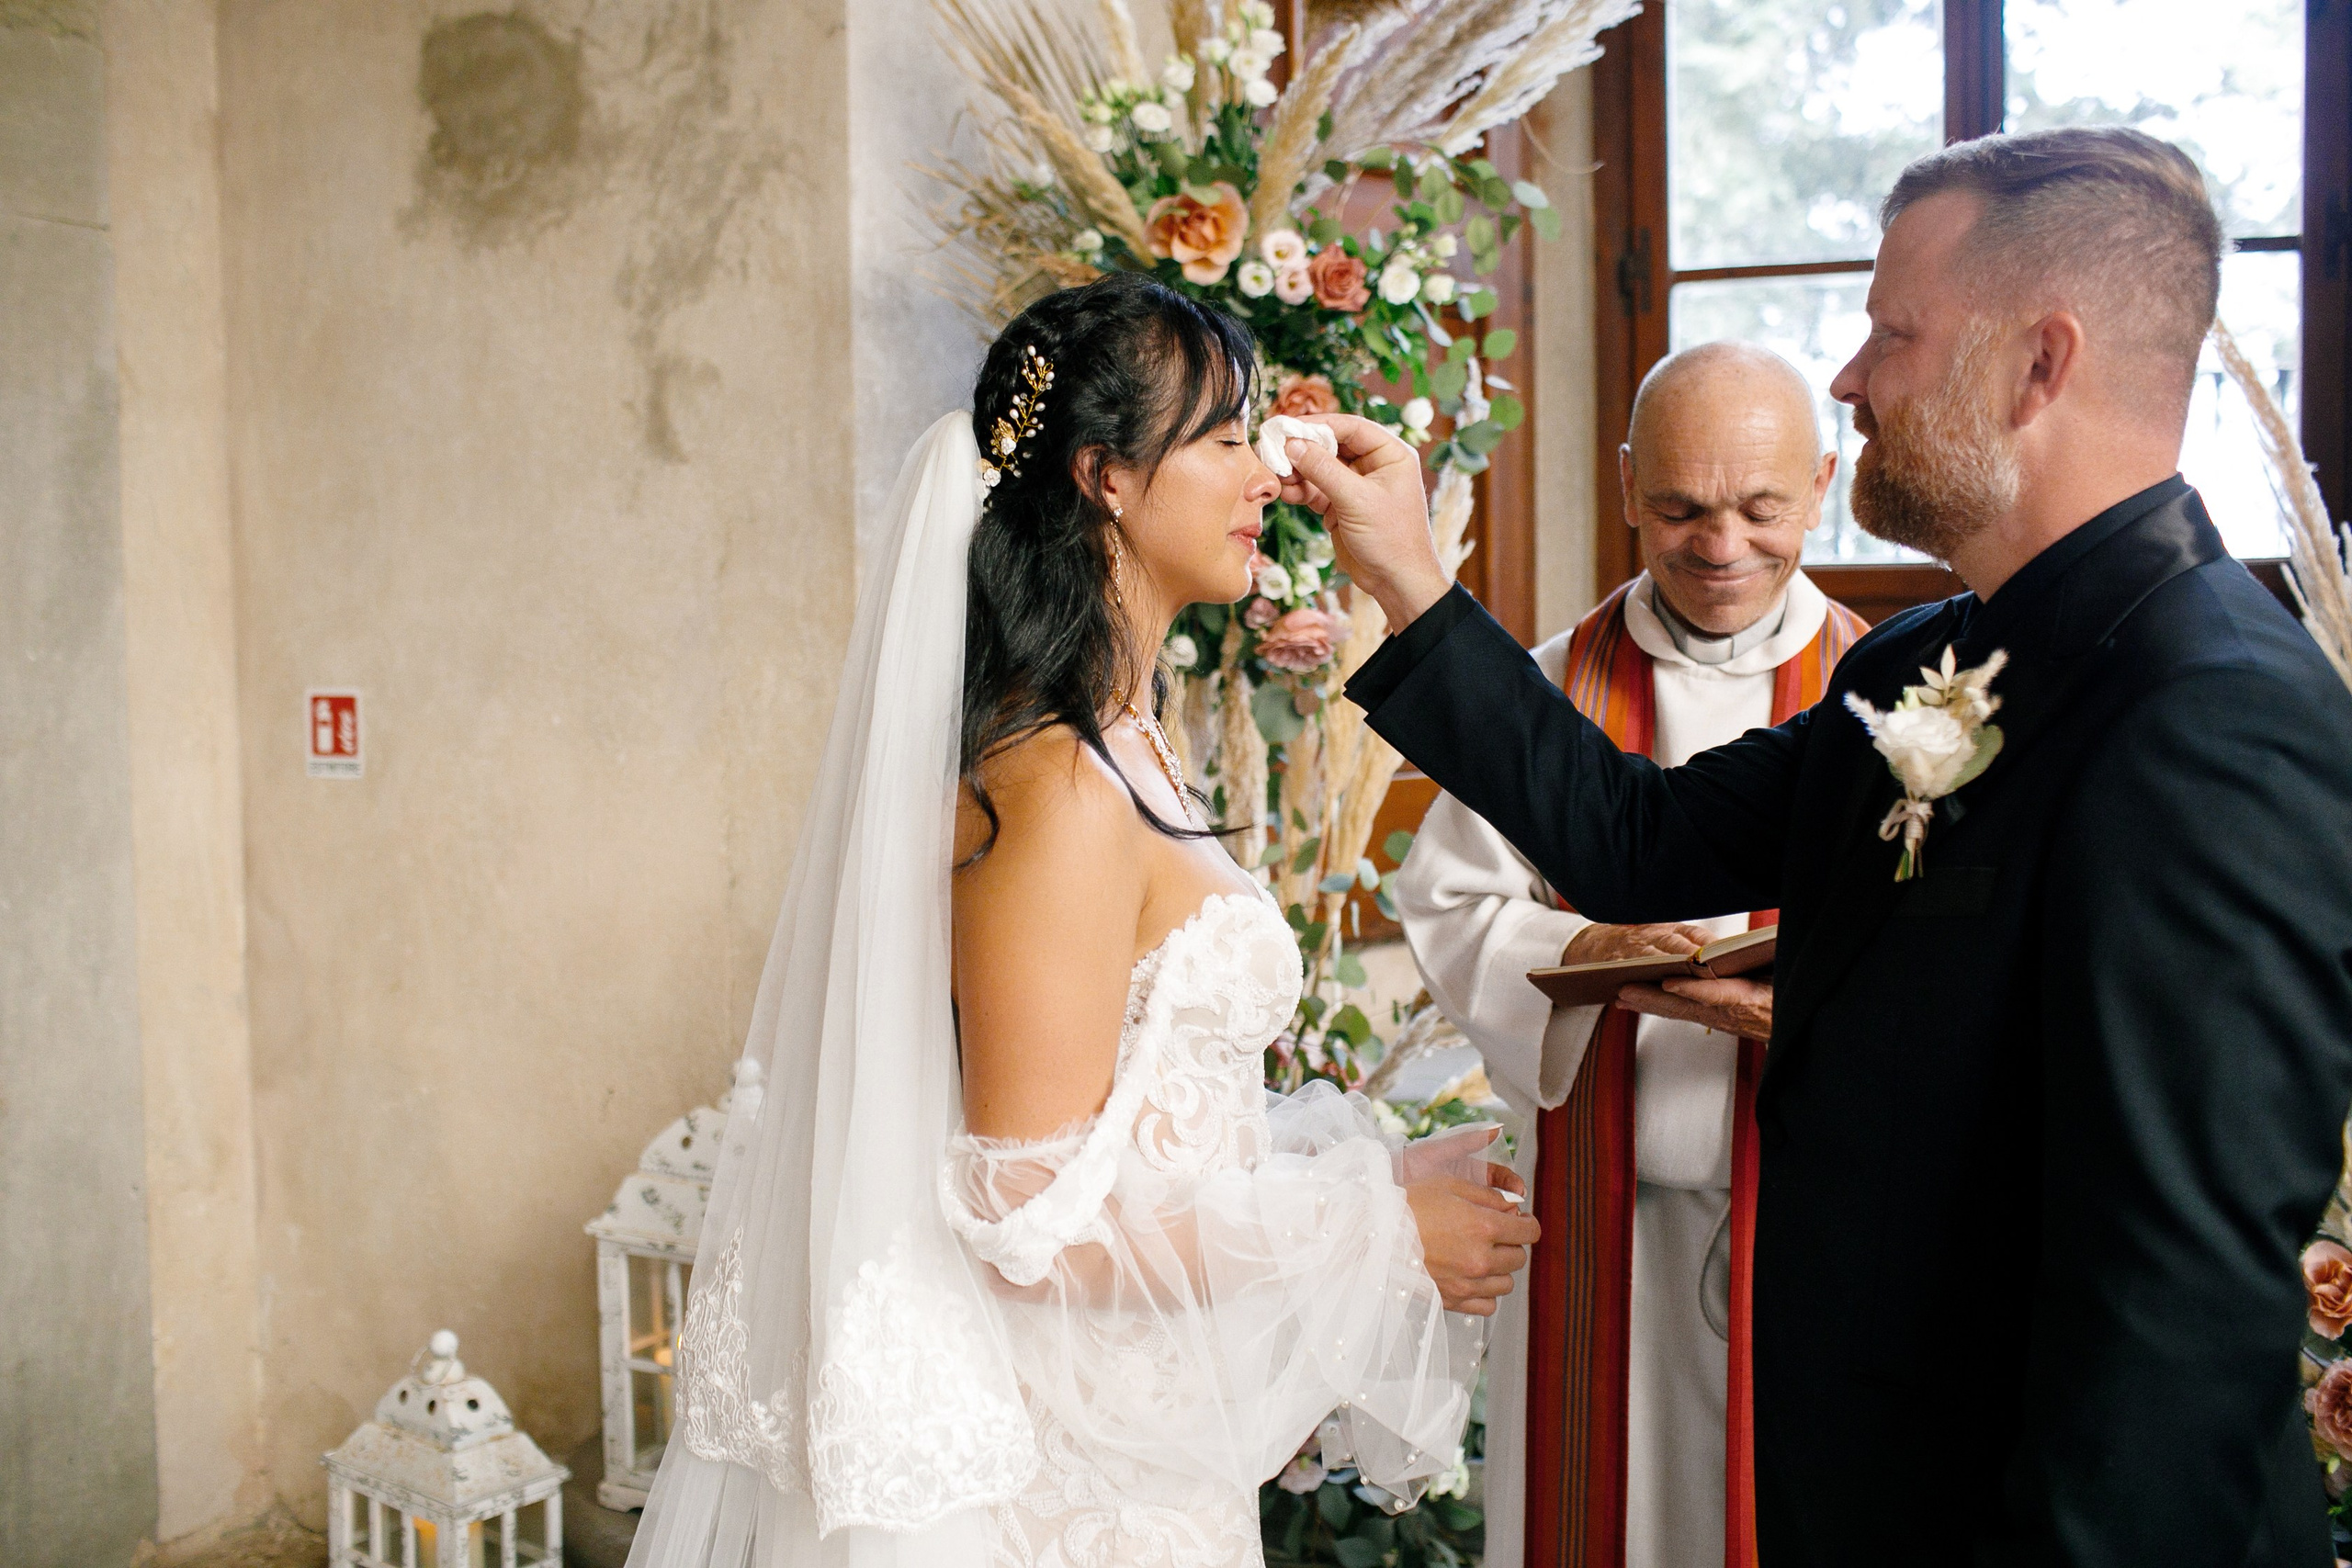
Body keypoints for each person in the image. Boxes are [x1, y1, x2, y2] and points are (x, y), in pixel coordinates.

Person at [1279, 128, 2352, 1565]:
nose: (1849, 382)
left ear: (2041, 364)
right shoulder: (1916, 664)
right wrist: (1408, 570)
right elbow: (1632, 837)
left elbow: (2179, 1304)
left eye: (1891, 334)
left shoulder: (2219, 715)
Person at [624, 271, 1538, 1568]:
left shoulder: (1128, 745)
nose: (1265, 475)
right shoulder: (1053, 784)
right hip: (1070, 1486)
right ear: (1107, 476)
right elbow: (1031, 1218)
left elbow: (1142, 1128)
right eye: (1226, 440)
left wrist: (1376, 1183)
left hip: (1139, 1436)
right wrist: (1370, 1224)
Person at [1396, 342, 1866, 1568]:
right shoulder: (1543, 692)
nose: (1723, 546)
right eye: (1681, 508)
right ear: (1623, 488)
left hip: (1814, 1229)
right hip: (1598, 1226)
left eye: (1763, 508)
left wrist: (1817, 1002)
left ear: (1821, 481)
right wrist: (1589, 942)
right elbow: (1450, 903)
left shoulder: (1892, 703)